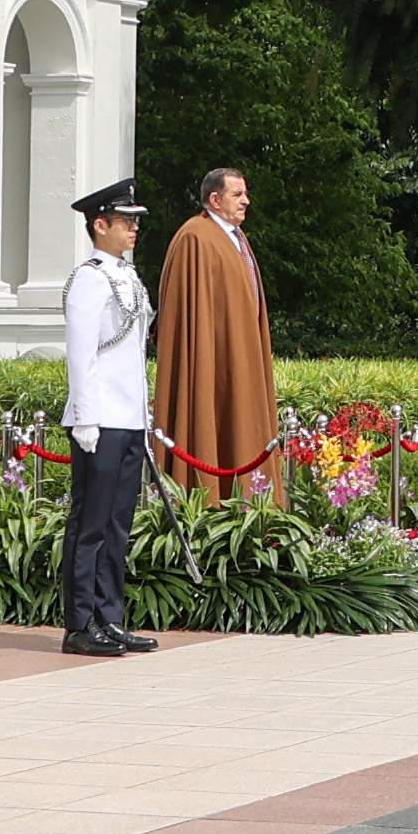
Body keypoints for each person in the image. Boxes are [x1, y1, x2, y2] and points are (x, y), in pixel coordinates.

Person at [55, 179, 159, 656]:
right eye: (124, 221)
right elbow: (82, 355)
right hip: (99, 418)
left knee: (118, 523)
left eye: (135, 220)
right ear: (101, 225)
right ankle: (80, 623)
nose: (133, 228)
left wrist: (143, 414)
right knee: (90, 523)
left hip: (128, 416)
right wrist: (85, 417)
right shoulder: (89, 279)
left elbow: (132, 356)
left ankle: (109, 617)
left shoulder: (126, 277)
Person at [156, 165, 277, 500]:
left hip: (240, 356)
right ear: (214, 199)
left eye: (245, 194)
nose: (246, 201)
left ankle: (250, 503)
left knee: (243, 425)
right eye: (237, 194)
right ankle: (208, 500)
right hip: (212, 361)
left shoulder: (236, 238)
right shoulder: (196, 237)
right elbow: (190, 318)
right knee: (213, 421)